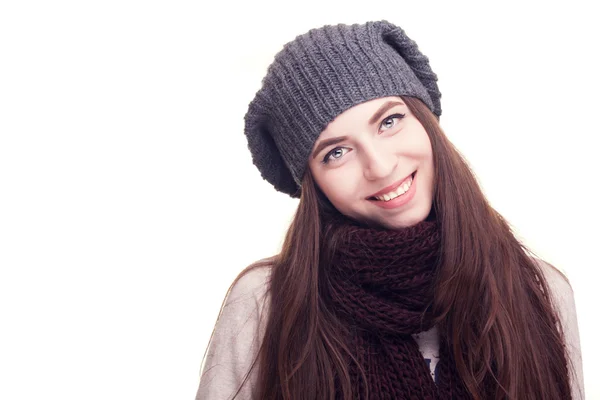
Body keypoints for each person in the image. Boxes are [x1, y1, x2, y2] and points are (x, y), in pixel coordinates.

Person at [195, 20, 584, 399]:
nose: (380, 166)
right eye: (336, 152)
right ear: (313, 183)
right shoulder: (266, 303)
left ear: (425, 121)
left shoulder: (542, 291)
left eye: (390, 121)